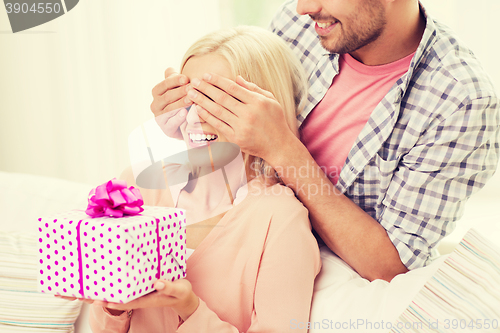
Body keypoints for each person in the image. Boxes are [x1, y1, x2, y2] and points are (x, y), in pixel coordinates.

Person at [150, 0, 500, 282]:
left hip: (335, 280)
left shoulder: (461, 100)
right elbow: (244, 158)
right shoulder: (304, 22)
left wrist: (283, 149)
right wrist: (193, 123)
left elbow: (392, 266)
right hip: (252, 247)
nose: (302, 7)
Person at [85, 26, 321, 332]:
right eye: (188, 98)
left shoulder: (280, 220)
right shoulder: (136, 185)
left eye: (215, 101)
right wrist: (112, 305)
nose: (194, 117)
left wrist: (189, 308)